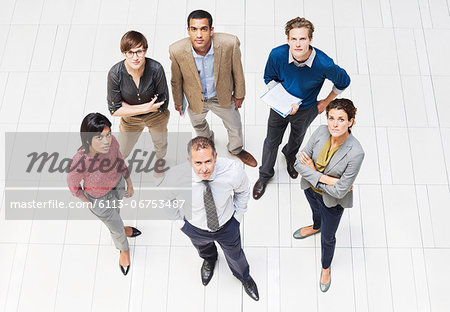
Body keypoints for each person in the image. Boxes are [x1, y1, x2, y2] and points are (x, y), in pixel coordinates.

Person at [253, 17, 351, 200]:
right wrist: (284, 101)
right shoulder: (277, 55)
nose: (298, 44)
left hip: (307, 108)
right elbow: (269, 78)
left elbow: (343, 81)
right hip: (280, 107)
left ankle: (290, 157)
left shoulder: (324, 63)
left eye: (303, 39)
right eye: (294, 39)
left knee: (297, 136)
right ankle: (265, 175)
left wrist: (325, 102)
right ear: (288, 40)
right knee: (271, 141)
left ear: (310, 40)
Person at [173, 136, 259, 301]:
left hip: (227, 226)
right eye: (198, 163)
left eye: (208, 161)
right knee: (203, 249)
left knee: (235, 255)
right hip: (195, 227)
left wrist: (238, 217)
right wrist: (181, 225)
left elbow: (243, 191)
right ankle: (209, 260)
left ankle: (244, 277)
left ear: (216, 157)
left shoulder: (232, 171)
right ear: (189, 161)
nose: (204, 169)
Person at [169, 10, 257, 168]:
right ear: (188, 30)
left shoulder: (229, 43)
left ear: (211, 30)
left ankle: (236, 149)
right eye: (194, 29)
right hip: (195, 98)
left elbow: (238, 71)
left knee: (235, 125)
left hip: (221, 95)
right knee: (198, 125)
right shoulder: (176, 50)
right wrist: (178, 100)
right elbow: (176, 79)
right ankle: (208, 143)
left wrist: (239, 94)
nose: (199, 35)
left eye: (203, 29)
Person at [293, 99, 364, 292]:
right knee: (315, 213)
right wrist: (328, 179)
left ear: (350, 121)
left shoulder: (356, 152)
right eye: (331, 118)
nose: (334, 124)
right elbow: (298, 163)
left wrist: (314, 172)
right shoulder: (320, 132)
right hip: (310, 189)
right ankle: (316, 226)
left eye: (341, 119)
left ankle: (326, 267)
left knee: (328, 237)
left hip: (333, 201)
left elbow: (340, 191)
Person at [67, 113, 141, 276]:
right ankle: (124, 249)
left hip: (117, 186)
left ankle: (122, 228)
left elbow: (120, 161)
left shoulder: (112, 142)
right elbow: (73, 186)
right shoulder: (80, 161)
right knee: (115, 227)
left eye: (108, 134)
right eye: (100, 137)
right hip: (98, 199)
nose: (106, 140)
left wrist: (128, 182)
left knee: (117, 216)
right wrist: (89, 202)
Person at [107, 30, 170, 177]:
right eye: (130, 52)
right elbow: (114, 110)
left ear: (145, 51)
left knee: (160, 143)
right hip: (131, 120)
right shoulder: (115, 74)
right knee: (122, 150)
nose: (135, 57)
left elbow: (163, 102)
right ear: (123, 53)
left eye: (139, 51)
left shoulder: (156, 69)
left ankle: (159, 164)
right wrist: (146, 107)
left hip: (156, 117)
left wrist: (127, 107)